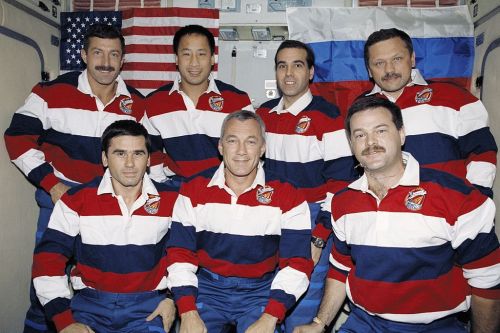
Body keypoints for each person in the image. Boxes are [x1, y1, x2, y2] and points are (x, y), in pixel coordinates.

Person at [294, 96, 500, 333]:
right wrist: (319, 323)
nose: (370, 142)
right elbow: (341, 270)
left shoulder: (457, 196)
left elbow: (488, 282)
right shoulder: (342, 202)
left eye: (380, 130)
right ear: (351, 144)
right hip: (364, 324)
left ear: (401, 134)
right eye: (360, 135)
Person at [3, 23, 145, 333]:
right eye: (97, 52)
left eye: (113, 54)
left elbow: (150, 155)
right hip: (60, 202)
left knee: (97, 288)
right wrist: (52, 185)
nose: (106, 62)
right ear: (83, 55)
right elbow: (17, 137)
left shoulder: (136, 103)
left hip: (110, 210)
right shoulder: (50, 92)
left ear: (123, 60)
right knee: (46, 283)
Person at [166, 110, 314, 333]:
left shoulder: (288, 194)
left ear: (263, 147)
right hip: (207, 288)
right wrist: (187, 311)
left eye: (251, 141)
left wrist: (270, 317)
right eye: (232, 141)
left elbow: (297, 264)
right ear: (220, 146)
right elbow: (180, 254)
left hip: (260, 291)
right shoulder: (193, 190)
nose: (241, 151)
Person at [32, 120, 178, 333]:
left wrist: (173, 299)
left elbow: (187, 255)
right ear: (104, 158)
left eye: (138, 154)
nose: (129, 163)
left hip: (148, 308)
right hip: (90, 306)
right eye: (120, 153)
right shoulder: (75, 200)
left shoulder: (172, 200)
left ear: (148, 160)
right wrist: (64, 322)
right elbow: (48, 259)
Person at [256, 40, 357, 331]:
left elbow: (339, 184)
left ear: (311, 72)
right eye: (282, 65)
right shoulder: (263, 115)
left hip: (312, 221)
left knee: (304, 302)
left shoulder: (328, 116)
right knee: (269, 301)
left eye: (297, 65)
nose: (289, 73)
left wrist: (318, 237)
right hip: (269, 218)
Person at [361, 28, 497, 197]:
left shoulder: (455, 98)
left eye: (397, 59)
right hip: (385, 216)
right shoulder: (359, 110)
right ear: (369, 69)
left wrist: (474, 201)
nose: (389, 69)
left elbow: (482, 153)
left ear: (411, 59)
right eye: (379, 63)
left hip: (449, 213)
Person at [143, 24, 253, 183]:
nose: (194, 62)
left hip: (224, 186)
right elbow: (151, 152)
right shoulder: (155, 102)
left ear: (212, 59)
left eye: (201, 54)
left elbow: (252, 148)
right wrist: (161, 184)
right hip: (176, 186)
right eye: (186, 54)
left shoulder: (238, 100)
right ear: (176, 59)